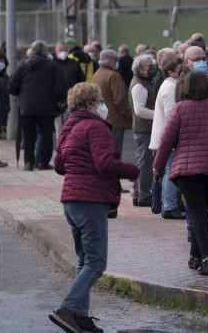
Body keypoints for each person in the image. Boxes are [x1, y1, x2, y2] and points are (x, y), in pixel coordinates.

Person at [49, 83, 140, 333]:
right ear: (89, 104)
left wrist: (80, 168)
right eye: (100, 100)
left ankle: (80, 317)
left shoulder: (69, 127)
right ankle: (67, 308)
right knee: (96, 263)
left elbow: (59, 166)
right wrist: (133, 171)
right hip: (90, 201)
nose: (103, 105)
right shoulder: (96, 127)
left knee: (84, 261)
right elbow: (105, 164)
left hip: (71, 201)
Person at [152, 71, 208, 276]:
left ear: (185, 88)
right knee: (203, 211)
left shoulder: (180, 109)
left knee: (198, 212)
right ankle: (195, 256)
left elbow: (166, 142)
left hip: (188, 171)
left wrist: (157, 167)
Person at [9, 40, 65, 171]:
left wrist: (19, 94)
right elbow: (60, 86)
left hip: (26, 107)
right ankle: (43, 162)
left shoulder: (23, 65)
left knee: (28, 136)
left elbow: (12, 85)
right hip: (47, 107)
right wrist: (61, 100)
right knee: (46, 135)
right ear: (45, 52)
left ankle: (28, 163)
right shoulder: (52, 65)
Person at [149, 54, 186, 219]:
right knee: (171, 170)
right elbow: (173, 115)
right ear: (171, 72)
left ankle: (170, 204)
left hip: (165, 135)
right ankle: (169, 206)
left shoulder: (170, 84)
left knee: (169, 170)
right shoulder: (171, 88)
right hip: (168, 136)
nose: (183, 72)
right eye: (180, 70)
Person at [128, 54, 158, 207]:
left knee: (143, 162)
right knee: (145, 163)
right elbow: (139, 110)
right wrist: (159, 115)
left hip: (146, 128)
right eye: (150, 67)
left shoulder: (145, 81)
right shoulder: (139, 85)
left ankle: (139, 194)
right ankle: (144, 196)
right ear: (140, 69)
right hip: (143, 128)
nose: (153, 69)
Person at [91, 49, 133, 155]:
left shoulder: (97, 74)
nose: (116, 62)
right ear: (110, 61)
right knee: (115, 152)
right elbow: (120, 99)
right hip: (115, 120)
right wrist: (130, 115)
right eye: (115, 60)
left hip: (103, 117)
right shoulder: (113, 75)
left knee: (105, 151)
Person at [54, 42, 86, 140]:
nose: (63, 52)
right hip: (57, 103)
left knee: (74, 130)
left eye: (65, 50)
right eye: (61, 50)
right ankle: (62, 152)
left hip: (73, 102)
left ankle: (71, 152)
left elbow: (81, 81)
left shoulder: (74, 63)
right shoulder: (52, 64)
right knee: (60, 130)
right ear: (56, 51)